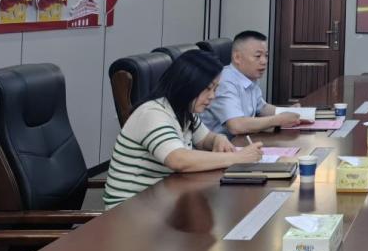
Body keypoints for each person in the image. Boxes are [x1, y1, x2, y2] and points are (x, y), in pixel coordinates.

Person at [103, 50, 263, 209]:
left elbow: (205, 139)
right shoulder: (153, 113)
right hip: (130, 210)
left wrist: (218, 139)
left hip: (161, 200)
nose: (212, 96)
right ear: (188, 85)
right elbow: (178, 160)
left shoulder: (184, 111)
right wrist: (237, 158)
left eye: (215, 89)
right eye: (207, 89)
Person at [200, 30, 300, 135]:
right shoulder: (224, 82)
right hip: (219, 143)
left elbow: (262, 108)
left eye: (266, 55)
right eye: (258, 56)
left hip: (242, 140)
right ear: (237, 57)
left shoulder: (248, 77)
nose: (264, 61)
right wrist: (278, 120)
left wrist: (288, 112)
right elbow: (236, 126)